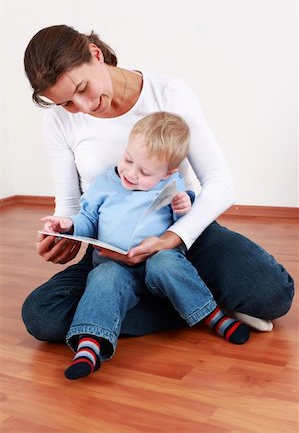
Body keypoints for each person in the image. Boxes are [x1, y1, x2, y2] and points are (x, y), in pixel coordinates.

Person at [22, 24, 294, 349]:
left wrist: (170, 238)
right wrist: (62, 233)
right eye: (66, 102)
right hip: (112, 251)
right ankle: (202, 306)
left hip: (180, 235)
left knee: (272, 295)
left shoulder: (167, 93)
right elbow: (69, 205)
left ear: (95, 55)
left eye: (83, 88)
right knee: (42, 315)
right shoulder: (58, 121)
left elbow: (219, 183)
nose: (82, 107)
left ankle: (119, 309)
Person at [41, 112, 250, 379]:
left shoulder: (172, 185)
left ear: (168, 172)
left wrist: (183, 206)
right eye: (128, 160)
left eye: (145, 172)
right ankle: (89, 344)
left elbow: (183, 223)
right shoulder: (105, 182)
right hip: (116, 266)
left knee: (167, 263)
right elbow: (88, 219)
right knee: (102, 278)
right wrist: (68, 225)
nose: (131, 173)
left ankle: (212, 315)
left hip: (156, 262)